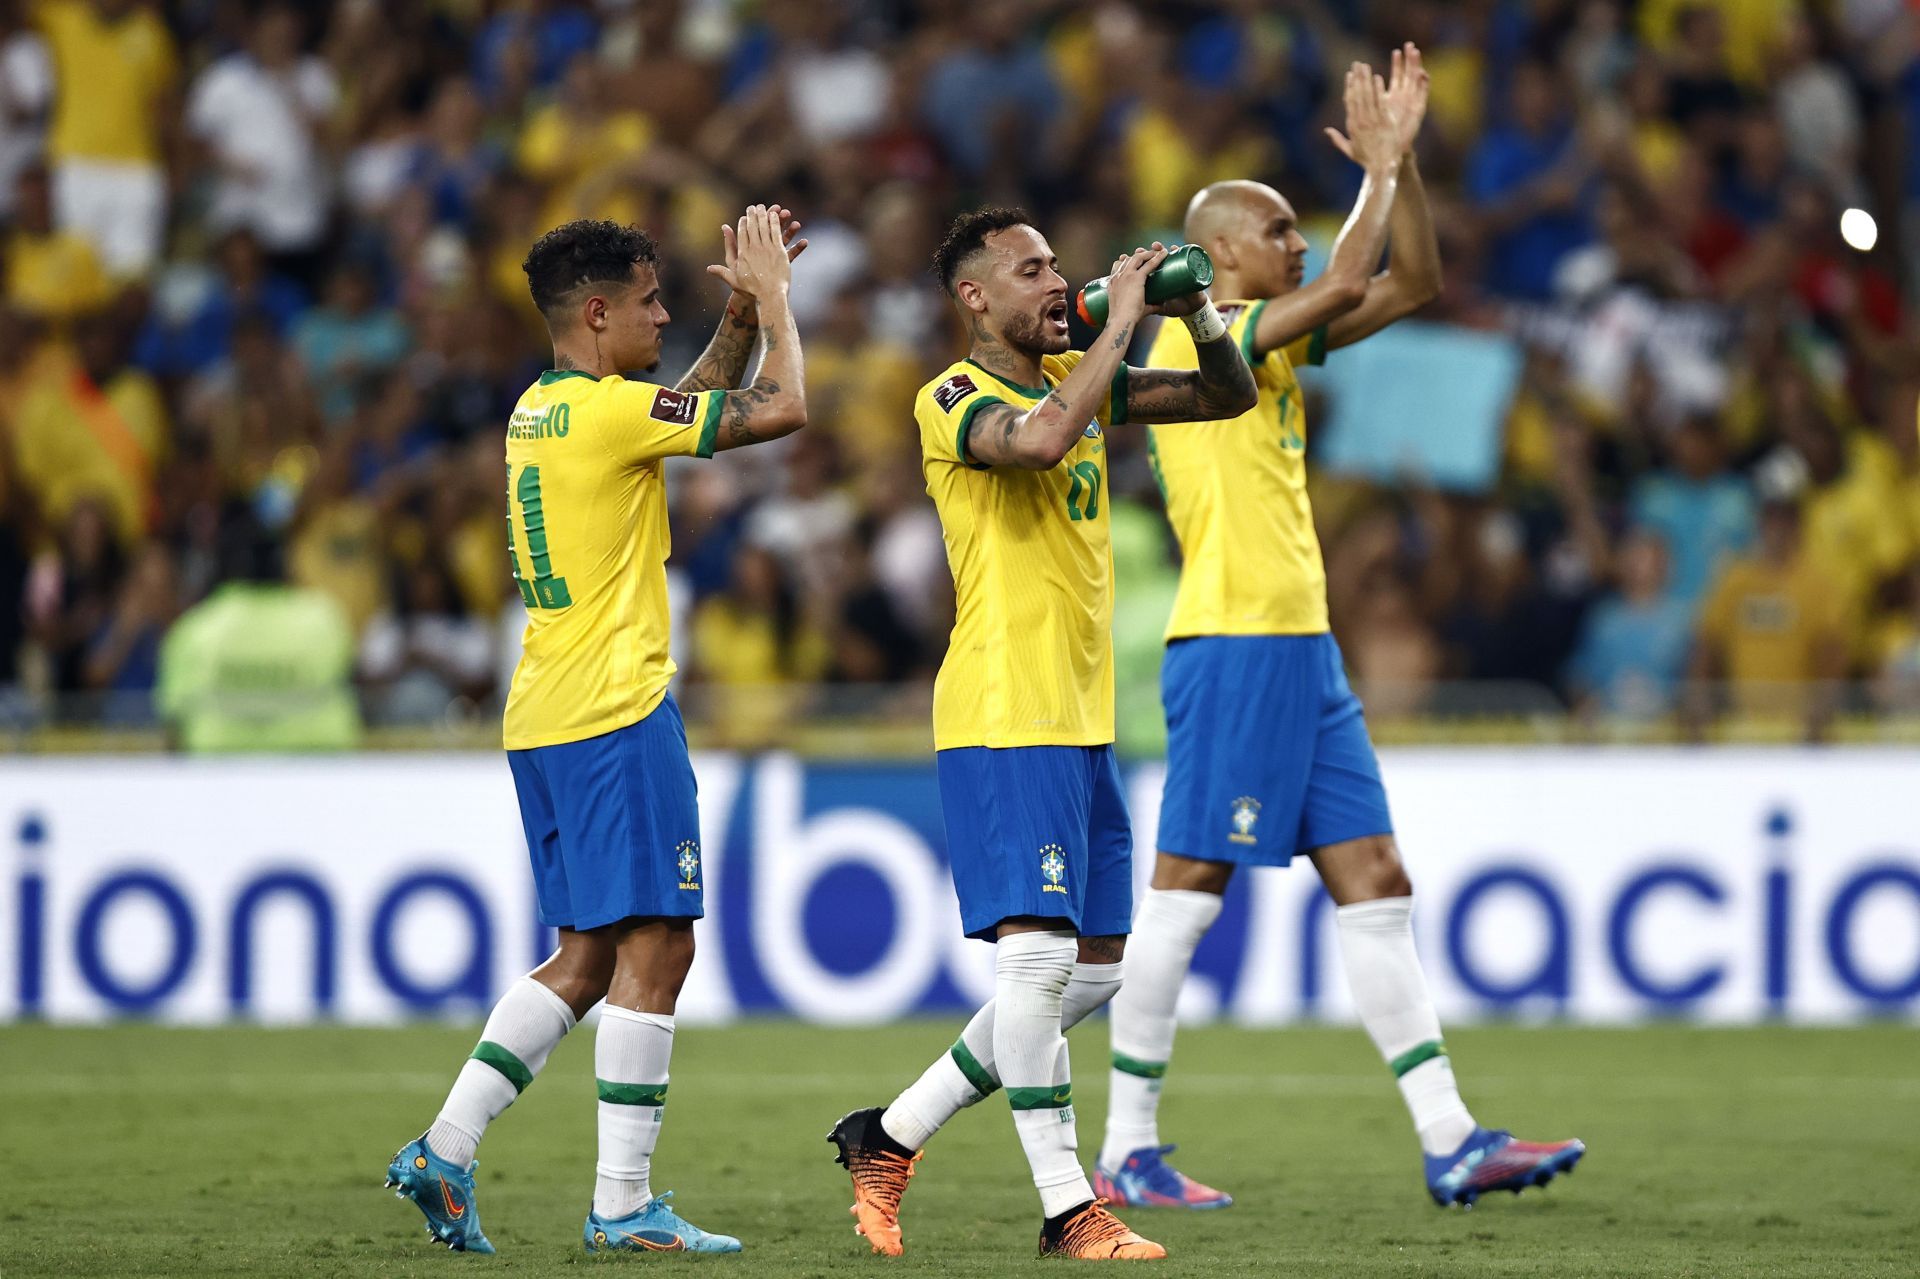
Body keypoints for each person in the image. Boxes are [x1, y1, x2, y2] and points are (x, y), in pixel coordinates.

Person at [1099, 46, 1585, 1212]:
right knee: (1186, 885)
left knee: (1376, 877)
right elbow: (1358, 259)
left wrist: (1402, 167)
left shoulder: (1266, 335)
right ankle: (1125, 1142)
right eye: (1276, 230)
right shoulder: (1192, 339)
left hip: (1301, 647)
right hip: (1235, 641)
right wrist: (1374, 168)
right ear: (1217, 255)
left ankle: (1451, 1138)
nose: (1297, 241)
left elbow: (1408, 281)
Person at [826, 206, 1257, 1260]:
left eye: (1059, 267)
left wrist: (1193, 308)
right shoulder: (956, 397)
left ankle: (890, 1134)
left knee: (1097, 969)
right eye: (1032, 272)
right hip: (1002, 707)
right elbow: (1045, 437)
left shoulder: (1079, 378)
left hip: (1079, 717)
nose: (1058, 283)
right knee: (1034, 968)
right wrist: (1114, 327)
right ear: (975, 296)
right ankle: (1070, 1207)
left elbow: (1227, 394)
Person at [385, 206, 809, 1256]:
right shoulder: (613, 414)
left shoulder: (544, 408)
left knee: (584, 956)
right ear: (598, 310)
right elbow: (785, 408)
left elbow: (687, 399)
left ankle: (444, 1148)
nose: (668, 316)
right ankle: (622, 1204)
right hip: (616, 710)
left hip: (547, 710)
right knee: (661, 941)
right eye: (654, 301)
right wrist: (783, 308)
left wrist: (744, 308)